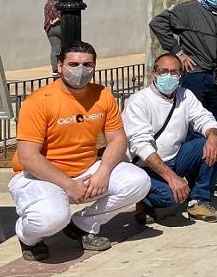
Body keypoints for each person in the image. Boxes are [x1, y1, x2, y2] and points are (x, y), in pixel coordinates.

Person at [9, 42, 151, 261]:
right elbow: (28, 157)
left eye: (87, 64)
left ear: (94, 66)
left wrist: (103, 172)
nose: (80, 70)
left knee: (138, 181)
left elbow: (118, 139)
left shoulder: (102, 95)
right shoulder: (38, 102)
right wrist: (68, 185)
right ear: (60, 66)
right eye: (73, 64)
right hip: (40, 176)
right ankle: (28, 238)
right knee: (50, 218)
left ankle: (83, 225)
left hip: (86, 168)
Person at [123, 53, 217, 224]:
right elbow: (142, 146)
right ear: (154, 74)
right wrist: (172, 178)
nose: (169, 76)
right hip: (145, 166)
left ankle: (199, 201)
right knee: (170, 198)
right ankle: (143, 199)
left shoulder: (185, 95)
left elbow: (204, 118)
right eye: (164, 71)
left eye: (174, 72)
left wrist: (213, 137)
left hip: (175, 159)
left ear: (181, 76)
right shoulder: (138, 101)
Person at [44, 0, 63, 73]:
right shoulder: (63, 2)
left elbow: (46, 14)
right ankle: (64, 66)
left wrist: (51, 22)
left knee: (55, 49)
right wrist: (56, 20)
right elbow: (61, 15)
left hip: (50, 28)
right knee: (66, 47)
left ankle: (55, 68)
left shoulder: (48, 3)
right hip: (61, 27)